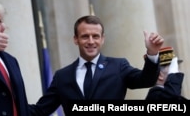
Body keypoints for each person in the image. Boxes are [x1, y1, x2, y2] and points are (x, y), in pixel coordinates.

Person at [29, 15, 164, 115]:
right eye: (85, 36)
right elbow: (40, 110)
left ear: (102, 39)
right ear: (75, 39)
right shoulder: (62, 76)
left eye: (95, 36)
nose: (91, 41)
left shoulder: (118, 67)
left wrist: (152, 53)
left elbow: (147, 80)